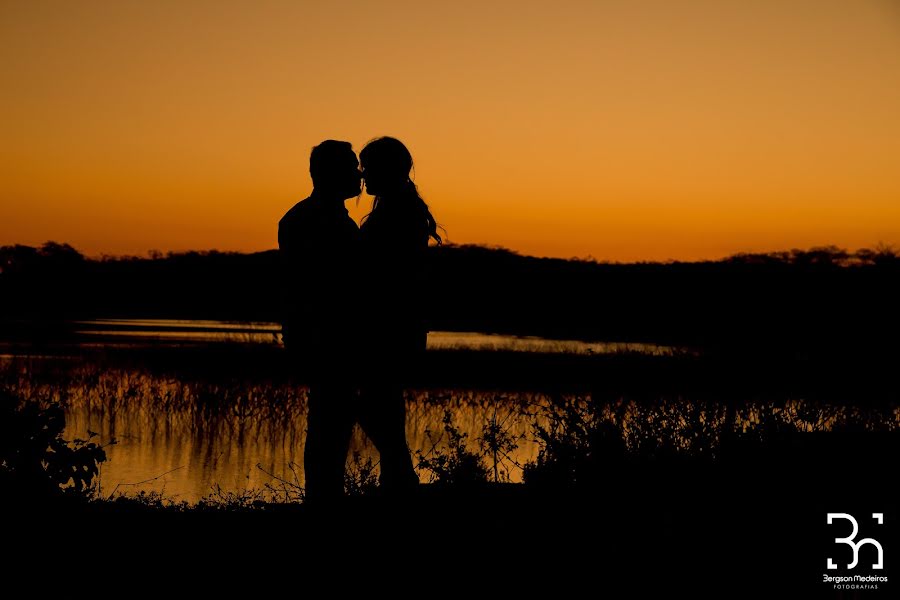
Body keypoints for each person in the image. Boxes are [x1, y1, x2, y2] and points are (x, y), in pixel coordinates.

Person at [278, 140, 362, 503]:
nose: (359, 175)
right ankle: (324, 503)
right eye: (351, 168)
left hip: (324, 337)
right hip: (327, 339)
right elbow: (317, 288)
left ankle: (325, 500)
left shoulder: (311, 217)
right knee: (330, 424)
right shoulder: (313, 220)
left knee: (331, 425)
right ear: (325, 174)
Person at [356, 136, 442, 494]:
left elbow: (393, 275)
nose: (362, 174)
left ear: (387, 170)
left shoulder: (398, 211)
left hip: (391, 324)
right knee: (385, 403)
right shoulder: (397, 207)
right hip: (398, 323)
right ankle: (397, 479)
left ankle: (400, 477)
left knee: (375, 405)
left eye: (367, 166)